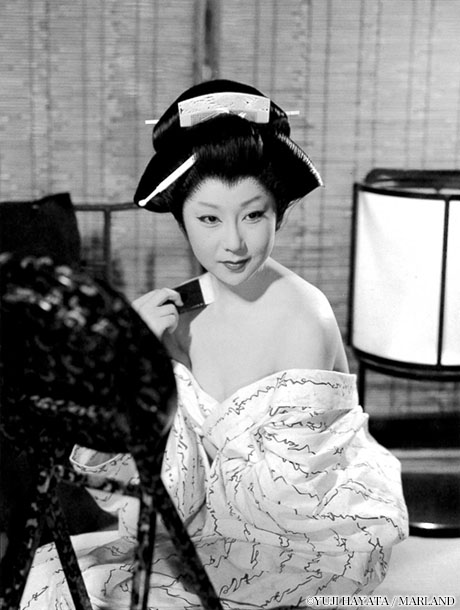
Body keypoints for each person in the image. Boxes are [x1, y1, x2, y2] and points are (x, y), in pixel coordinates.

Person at [21, 79, 408, 609]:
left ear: (279, 212)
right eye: (209, 218)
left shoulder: (304, 317)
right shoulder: (180, 313)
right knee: (49, 579)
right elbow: (162, 483)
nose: (233, 243)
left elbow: (290, 503)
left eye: (253, 215)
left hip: (307, 539)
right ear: (181, 219)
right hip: (198, 527)